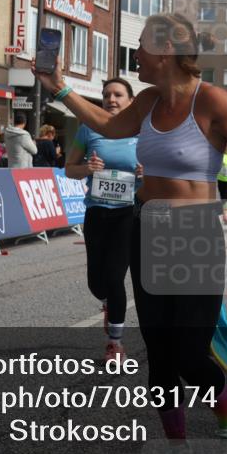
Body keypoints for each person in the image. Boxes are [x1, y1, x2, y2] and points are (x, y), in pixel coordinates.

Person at [33, 12, 227, 454]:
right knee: (160, 353)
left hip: (195, 234)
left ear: (165, 52)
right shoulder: (147, 101)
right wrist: (59, 88)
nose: (135, 55)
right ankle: (177, 452)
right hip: (148, 227)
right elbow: (108, 125)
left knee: (189, 353)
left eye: (140, 46)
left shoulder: (212, 101)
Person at [64, 78, 140, 363]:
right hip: (96, 212)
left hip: (127, 213)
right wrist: (87, 168)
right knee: (96, 283)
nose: (111, 99)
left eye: (118, 94)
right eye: (107, 94)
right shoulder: (88, 128)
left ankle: (115, 343)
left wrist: (146, 173)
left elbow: (162, 171)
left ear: (131, 101)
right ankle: (108, 303)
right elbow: (69, 169)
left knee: (115, 276)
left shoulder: (142, 131)